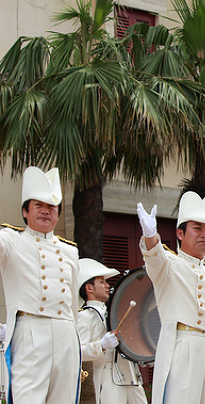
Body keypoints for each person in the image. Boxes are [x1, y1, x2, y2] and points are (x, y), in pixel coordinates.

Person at [136, 192, 205, 404]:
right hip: (182, 342)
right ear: (180, 233)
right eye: (197, 228)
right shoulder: (169, 264)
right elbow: (154, 257)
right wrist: (151, 236)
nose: (204, 234)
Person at [0, 166, 81, 403]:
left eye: (51, 207)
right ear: (25, 212)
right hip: (31, 329)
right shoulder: (11, 239)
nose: (46, 211)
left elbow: (74, 301)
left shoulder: (70, 250)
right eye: (39, 205)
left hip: (66, 332)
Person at [77, 258, 148, 404]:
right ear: (89, 288)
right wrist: (101, 345)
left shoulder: (114, 311)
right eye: (102, 282)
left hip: (130, 373)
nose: (107, 285)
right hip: (108, 375)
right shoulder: (85, 316)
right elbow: (77, 351)